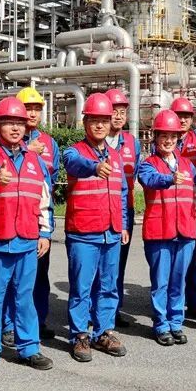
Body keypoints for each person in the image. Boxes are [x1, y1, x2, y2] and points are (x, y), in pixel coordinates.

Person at [0, 97, 55, 381]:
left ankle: (29, 348)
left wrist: (45, 233)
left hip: (27, 240)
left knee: (24, 298)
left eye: (20, 123)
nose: (16, 128)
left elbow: (44, 200)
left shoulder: (36, 161)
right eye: (9, 123)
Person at [62, 93, 130, 362]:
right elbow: (73, 164)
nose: (100, 125)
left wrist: (123, 224)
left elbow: (122, 192)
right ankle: (80, 335)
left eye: (104, 120)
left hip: (111, 231)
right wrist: (94, 166)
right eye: (94, 120)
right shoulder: (74, 151)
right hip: (83, 231)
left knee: (108, 286)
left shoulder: (115, 156)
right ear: (85, 122)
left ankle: (103, 332)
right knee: (81, 287)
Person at [138, 109, 196, 346]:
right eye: (163, 136)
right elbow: (149, 180)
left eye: (173, 136)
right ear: (155, 137)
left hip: (185, 231)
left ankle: (176, 322)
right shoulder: (148, 164)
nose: (168, 140)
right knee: (161, 283)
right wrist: (169, 179)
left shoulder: (188, 165)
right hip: (159, 233)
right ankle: (161, 324)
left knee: (178, 281)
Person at [2, 86, 60, 346]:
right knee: (10, 276)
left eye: (37, 108)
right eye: (28, 108)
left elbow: (51, 180)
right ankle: (8, 325)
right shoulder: (8, 140)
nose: (33, 113)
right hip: (12, 217)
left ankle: (37, 320)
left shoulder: (50, 143)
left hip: (38, 216)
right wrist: (28, 151)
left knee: (39, 274)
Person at [103, 87, 140, 327]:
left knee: (118, 263)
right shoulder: (95, 139)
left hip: (124, 210)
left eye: (122, 112)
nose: (118, 116)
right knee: (100, 265)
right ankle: (95, 311)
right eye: (114, 111)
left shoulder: (132, 143)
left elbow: (132, 177)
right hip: (100, 209)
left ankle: (113, 310)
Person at [172, 96, 196, 321]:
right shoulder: (165, 140)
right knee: (173, 259)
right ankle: (172, 304)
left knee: (193, 258)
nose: (183, 120)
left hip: (195, 201)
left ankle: (195, 301)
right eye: (179, 116)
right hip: (172, 204)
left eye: (186, 116)